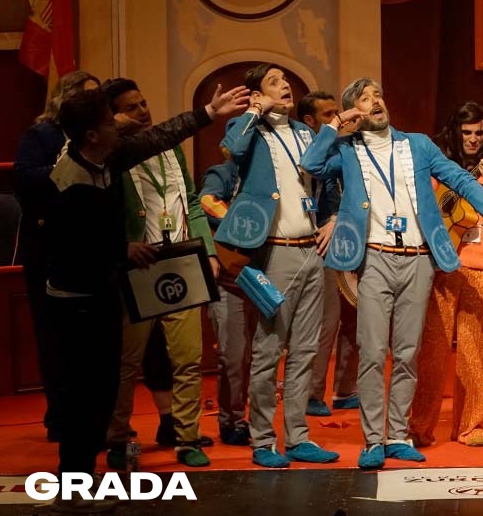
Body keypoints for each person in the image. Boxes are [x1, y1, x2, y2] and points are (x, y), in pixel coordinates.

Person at [45, 84, 247, 512]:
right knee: (87, 397)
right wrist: (122, 250)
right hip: (77, 300)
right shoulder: (71, 179)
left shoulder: (107, 156)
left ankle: (82, 482)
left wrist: (209, 111)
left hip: (104, 288)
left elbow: (160, 137)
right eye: (112, 120)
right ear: (92, 134)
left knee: (100, 393)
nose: (121, 125)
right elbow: (73, 245)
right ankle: (74, 487)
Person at [300, 77, 483, 470]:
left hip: (418, 259)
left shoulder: (418, 145)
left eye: (378, 95)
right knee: (374, 353)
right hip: (375, 259)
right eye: (364, 98)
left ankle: (396, 435)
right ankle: (373, 440)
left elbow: (458, 177)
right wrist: (337, 124)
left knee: (408, 353)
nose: (375, 101)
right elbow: (311, 164)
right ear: (355, 110)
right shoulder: (347, 150)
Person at [214, 64, 338, 469]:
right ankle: (264, 440)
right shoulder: (249, 131)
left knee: (305, 349)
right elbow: (232, 147)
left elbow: (330, 178)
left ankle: (298, 436)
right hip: (275, 253)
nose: (285, 86)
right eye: (274, 82)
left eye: (285, 80)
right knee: (269, 348)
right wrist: (254, 111)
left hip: (312, 250)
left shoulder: (305, 134)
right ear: (256, 94)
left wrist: (333, 218)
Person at [100, 78, 217, 468]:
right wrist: (121, 246)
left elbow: (193, 201)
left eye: (144, 103)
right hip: (139, 267)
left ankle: (187, 438)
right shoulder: (112, 156)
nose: (143, 111)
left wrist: (208, 250)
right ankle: (118, 439)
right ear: (113, 116)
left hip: (181, 262)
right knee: (128, 363)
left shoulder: (171, 147)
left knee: (188, 359)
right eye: (131, 107)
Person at [410, 102, 483, 447]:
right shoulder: (438, 164)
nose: (473, 139)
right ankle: (419, 427)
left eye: (479, 133)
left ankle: (469, 425)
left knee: (475, 350)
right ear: (455, 133)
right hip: (443, 265)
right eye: (466, 133)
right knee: (432, 350)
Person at [14, 70, 100, 442]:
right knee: (54, 338)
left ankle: (93, 416)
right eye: (87, 95)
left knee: (92, 342)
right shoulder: (42, 135)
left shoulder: (100, 137)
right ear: (65, 97)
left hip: (91, 250)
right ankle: (60, 416)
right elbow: (25, 178)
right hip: (48, 249)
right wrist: (69, 168)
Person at [296, 91, 360, 417]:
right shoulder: (307, 151)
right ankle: (311, 394)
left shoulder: (345, 148)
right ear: (309, 121)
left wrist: (340, 219)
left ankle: (347, 389)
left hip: (350, 238)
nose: (337, 119)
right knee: (326, 321)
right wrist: (329, 221)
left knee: (355, 317)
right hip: (318, 244)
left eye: (338, 112)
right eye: (328, 115)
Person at [199, 159, 256, 446]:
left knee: (252, 356)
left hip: (259, 276)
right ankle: (231, 420)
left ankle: (247, 418)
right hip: (228, 278)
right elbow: (206, 202)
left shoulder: (269, 176)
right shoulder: (224, 172)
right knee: (233, 356)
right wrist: (247, 225)